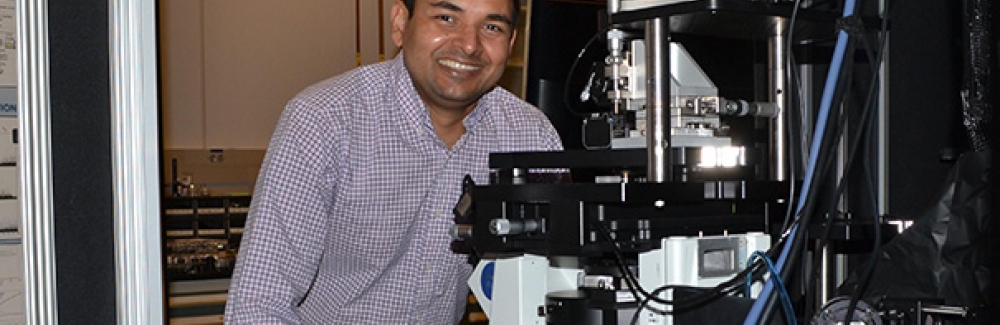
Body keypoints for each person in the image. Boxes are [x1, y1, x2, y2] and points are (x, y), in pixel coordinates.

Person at [224, 0, 562, 323]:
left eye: (491, 26)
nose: (470, 45)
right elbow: (260, 303)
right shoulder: (324, 121)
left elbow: (560, 282)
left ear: (512, 42)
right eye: (446, 18)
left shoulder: (530, 135)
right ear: (400, 23)